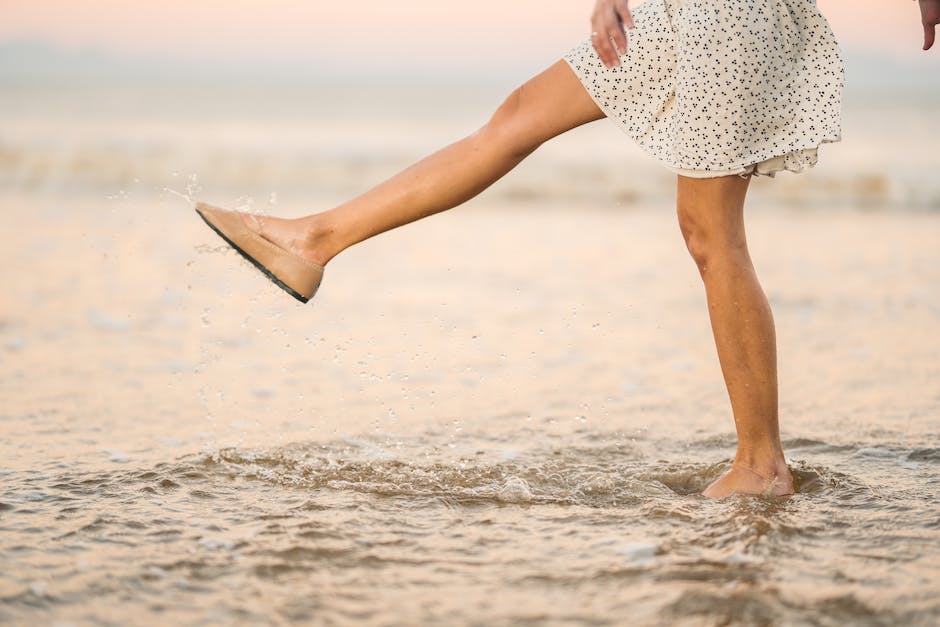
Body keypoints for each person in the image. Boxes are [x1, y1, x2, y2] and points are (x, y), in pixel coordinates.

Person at [195, 0, 940, 498]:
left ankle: (761, 462)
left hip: (732, 13)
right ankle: (314, 240)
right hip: (686, 9)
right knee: (518, 116)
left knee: (710, 230)